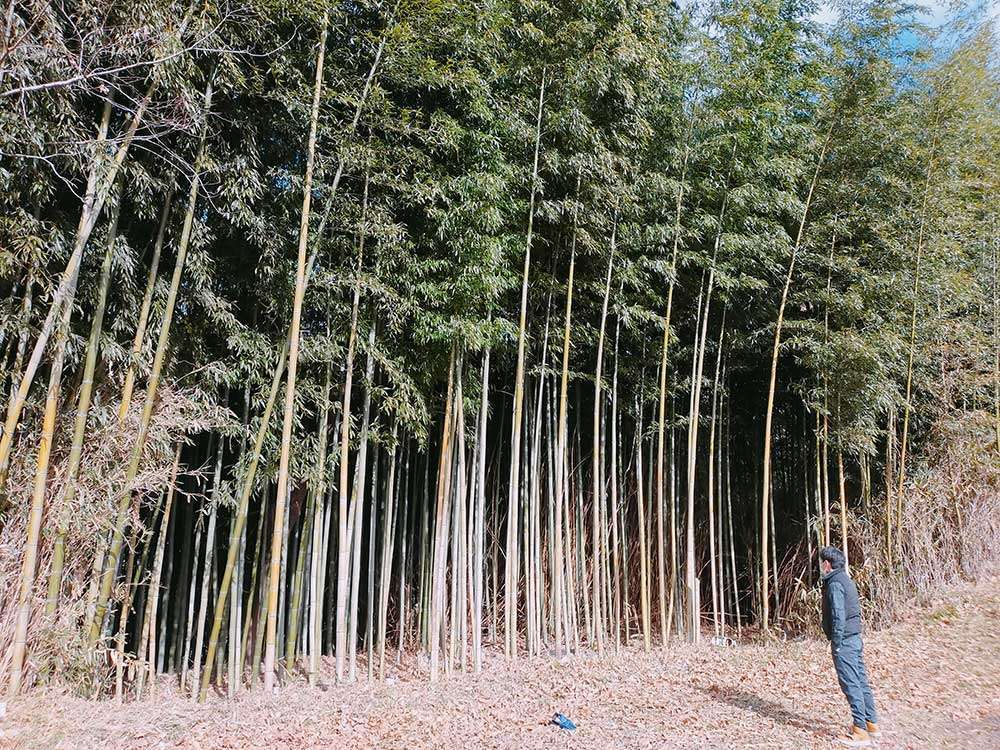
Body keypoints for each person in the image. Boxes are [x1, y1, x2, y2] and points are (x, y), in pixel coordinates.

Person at [820, 546, 880, 747]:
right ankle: (871, 723)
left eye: (822, 563)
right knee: (860, 680)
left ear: (827, 564)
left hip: (844, 640)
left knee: (850, 682)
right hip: (854, 638)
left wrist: (836, 642)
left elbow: (838, 615)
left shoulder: (835, 583)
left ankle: (860, 730)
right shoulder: (846, 579)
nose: (821, 566)